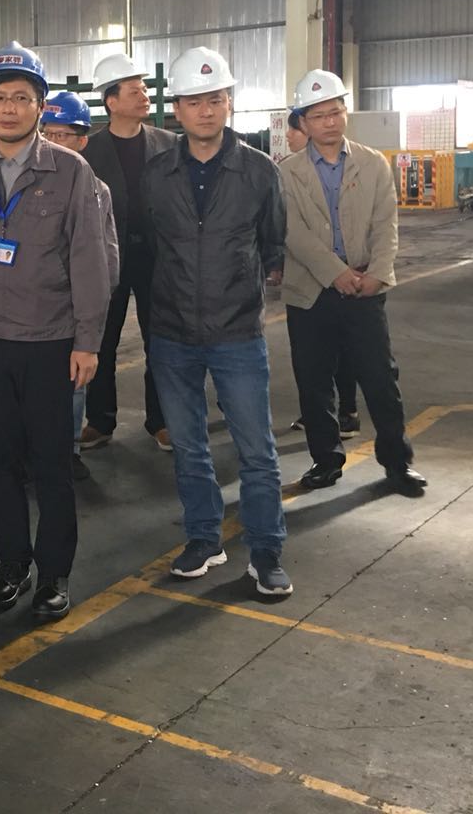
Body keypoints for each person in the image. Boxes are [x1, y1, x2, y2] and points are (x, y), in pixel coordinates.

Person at [0, 43, 111, 621]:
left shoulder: (71, 173)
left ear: (40, 106)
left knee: (51, 463)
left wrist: (87, 341)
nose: (8, 108)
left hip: (49, 342)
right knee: (3, 459)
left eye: (20, 98)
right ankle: (11, 562)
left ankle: (54, 571)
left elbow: (90, 260)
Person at [142, 47, 292, 598]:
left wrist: (241, 287)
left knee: (257, 450)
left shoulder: (259, 172)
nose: (205, 111)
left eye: (215, 99)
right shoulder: (156, 175)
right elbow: (148, 246)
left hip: (237, 334)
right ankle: (204, 538)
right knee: (188, 447)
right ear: (177, 110)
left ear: (229, 103)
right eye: (194, 102)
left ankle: (266, 551)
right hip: (172, 333)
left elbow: (273, 243)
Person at [279, 70, 427, 496]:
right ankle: (326, 461)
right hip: (310, 292)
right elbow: (292, 232)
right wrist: (335, 273)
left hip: (365, 287)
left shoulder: (372, 162)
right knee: (314, 380)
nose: (330, 121)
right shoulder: (286, 173)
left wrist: (377, 272)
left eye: (336, 111)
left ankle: (397, 463)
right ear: (303, 122)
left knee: (380, 377)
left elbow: (386, 224)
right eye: (319, 115)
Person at [79, 53, 176, 453]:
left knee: (161, 340)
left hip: (157, 258)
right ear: (111, 101)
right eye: (134, 91)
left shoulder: (168, 144)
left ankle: (161, 420)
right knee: (102, 340)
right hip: (107, 257)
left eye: (145, 89)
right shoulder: (89, 150)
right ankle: (100, 420)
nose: (144, 95)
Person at [40, 91, 120, 482]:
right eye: (48, 134)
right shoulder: (17, 183)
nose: (54, 142)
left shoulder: (96, 191)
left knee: (73, 385)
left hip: (71, 312)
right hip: (29, 312)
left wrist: (90, 308)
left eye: (63, 135)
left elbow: (107, 260)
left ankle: (68, 451)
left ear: (82, 141)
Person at [285, 109, 360, 438]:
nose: (289, 137)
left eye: (293, 131)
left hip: (348, 277)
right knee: (310, 359)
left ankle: (346, 411)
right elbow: (290, 230)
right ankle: (320, 420)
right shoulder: (288, 172)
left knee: (343, 352)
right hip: (306, 282)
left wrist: (342, 271)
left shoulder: (357, 167)